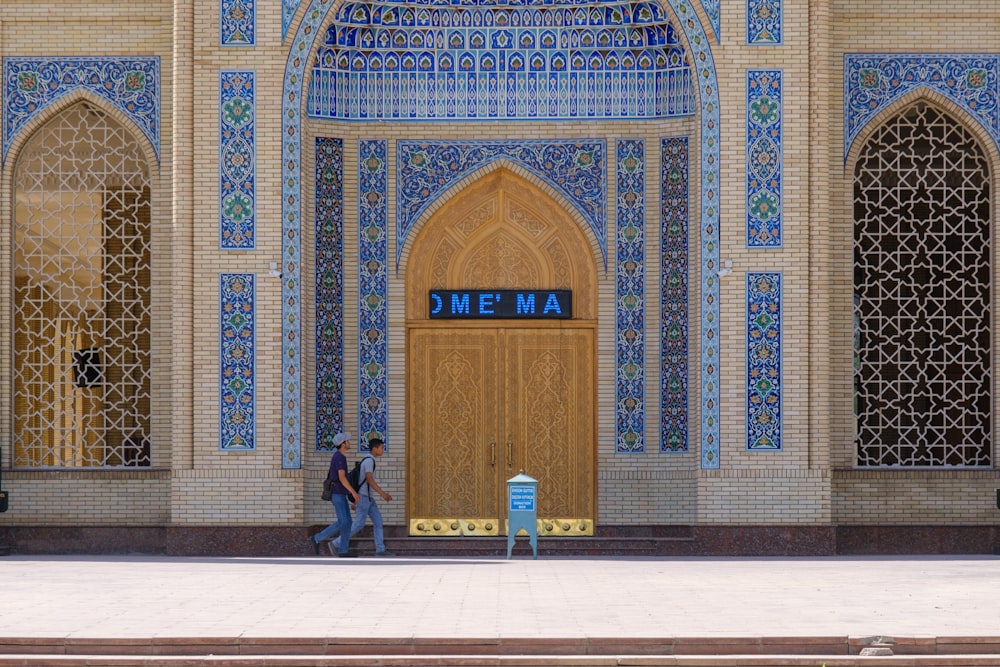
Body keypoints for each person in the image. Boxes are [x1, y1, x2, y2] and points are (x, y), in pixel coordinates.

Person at [310, 432, 360, 558]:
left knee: (347, 522)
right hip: (337, 493)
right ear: (343, 444)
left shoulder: (340, 456)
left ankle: (343, 550)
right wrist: (354, 493)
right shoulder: (339, 457)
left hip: (340, 493)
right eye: (347, 441)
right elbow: (342, 478)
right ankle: (316, 538)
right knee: (343, 521)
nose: (349, 442)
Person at [346, 437, 395, 556]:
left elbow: (361, 481)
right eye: (381, 447)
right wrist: (383, 494)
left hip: (368, 498)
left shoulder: (370, 460)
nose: (383, 450)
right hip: (364, 497)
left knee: (378, 521)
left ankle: (380, 550)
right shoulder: (369, 461)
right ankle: (336, 543)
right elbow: (369, 479)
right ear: (375, 448)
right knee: (358, 524)